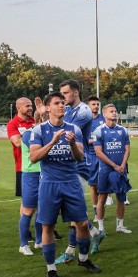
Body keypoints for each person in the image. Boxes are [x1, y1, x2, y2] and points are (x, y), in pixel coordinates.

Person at [30, 92, 101, 277]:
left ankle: (84, 259)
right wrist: (52, 142)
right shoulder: (39, 131)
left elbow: (79, 158)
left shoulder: (74, 129)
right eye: (57, 103)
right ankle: (51, 269)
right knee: (47, 226)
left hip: (71, 182)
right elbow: (34, 157)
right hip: (49, 184)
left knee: (83, 224)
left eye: (63, 103)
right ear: (47, 108)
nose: (62, 106)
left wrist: (71, 144)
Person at [56, 80, 105, 262]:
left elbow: (63, 128)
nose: (63, 98)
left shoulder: (83, 112)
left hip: (81, 164)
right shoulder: (68, 110)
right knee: (71, 209)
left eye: (66, 94)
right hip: (69, 165)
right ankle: (95, 233)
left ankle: (70, 251)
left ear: (75, 93)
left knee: (72, 210)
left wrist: (49, 114)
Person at [92, 103, 132, 234]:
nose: (114, 113)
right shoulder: (99, 131)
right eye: (111, 111)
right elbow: (98, 152)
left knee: (121, 197)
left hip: (121, 169)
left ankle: (120, 226)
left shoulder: (123, 130)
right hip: (105, 170)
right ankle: (101, 228)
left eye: (115, 111)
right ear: (105, 115)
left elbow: (127, 150)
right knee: (102, 197)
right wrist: (114, 166)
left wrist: (122, 165)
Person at [17, 98, 46, 255]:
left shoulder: (44, 133)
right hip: (31, 176)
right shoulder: (29, 135)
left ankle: (39, 240)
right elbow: (40, 151)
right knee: (28, 210)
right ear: (40, 118)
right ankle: (23, 244)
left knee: (41, 210)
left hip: (44, 174)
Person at [6, 97, 35, 198]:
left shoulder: (35, 121)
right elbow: (18, 142)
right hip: (23, 166)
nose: (31, 108)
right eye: (27, 106)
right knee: (27, 199)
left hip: (39, 165)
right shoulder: (12, 124)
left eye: (31, 105)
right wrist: (34, 131)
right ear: (18, 108)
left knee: (44, 196)